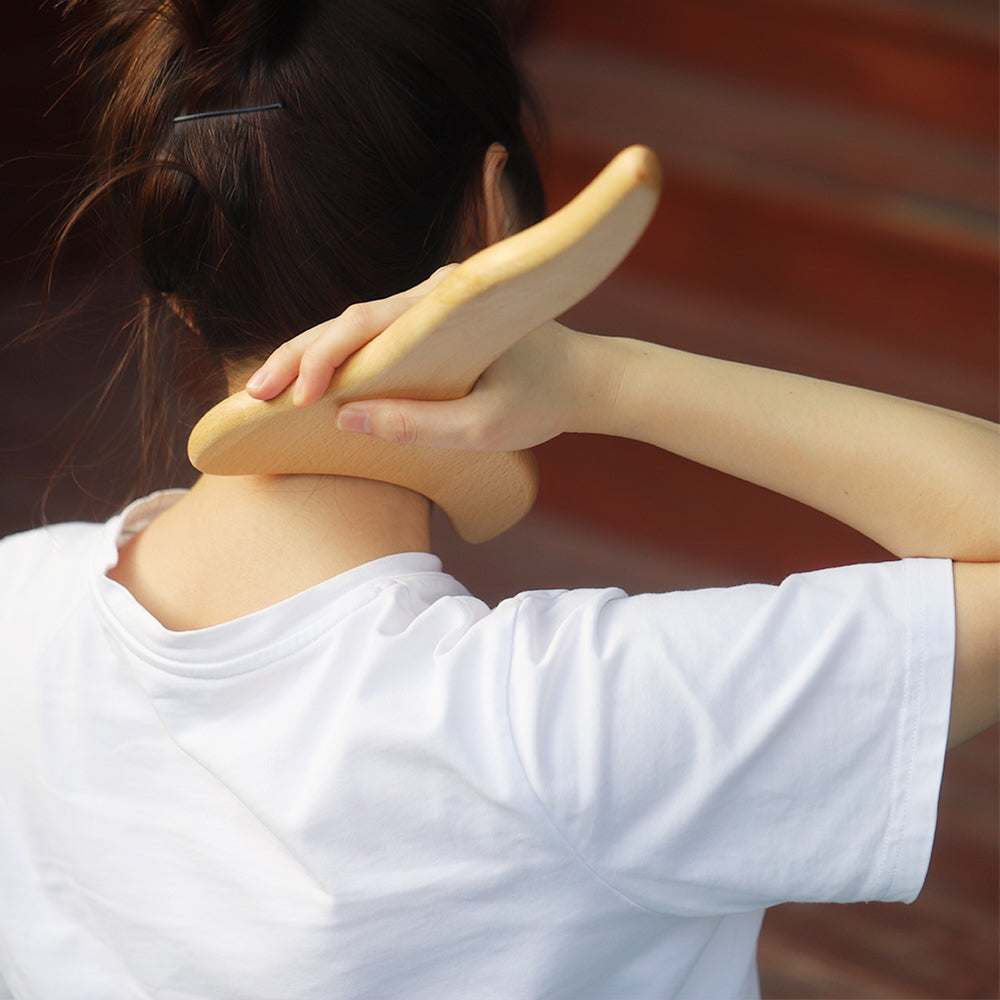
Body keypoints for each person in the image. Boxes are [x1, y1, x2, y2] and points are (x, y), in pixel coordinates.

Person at [0, 0, 996, 998]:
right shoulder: (558, 730)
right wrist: (605, 380)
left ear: (178, 283)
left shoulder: (19, 603)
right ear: (493, 220)